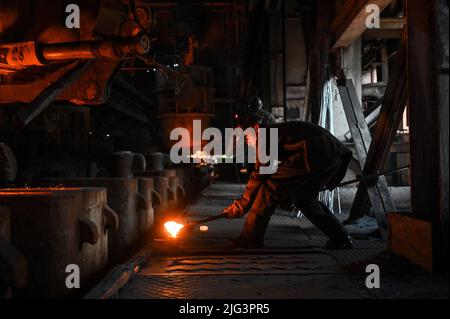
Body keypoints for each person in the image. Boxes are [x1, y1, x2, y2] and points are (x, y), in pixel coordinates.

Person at [223, 111, 354, 250]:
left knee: (269, 188)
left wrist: (240, 207)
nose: (246, 141)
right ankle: (341, 238)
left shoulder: (265, 135)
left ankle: (250, 239)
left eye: (246, 136)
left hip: (317, 153)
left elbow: (260, 175)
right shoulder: (274, 133)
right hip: (334, 155)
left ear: (255, 128)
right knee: (304, 200)